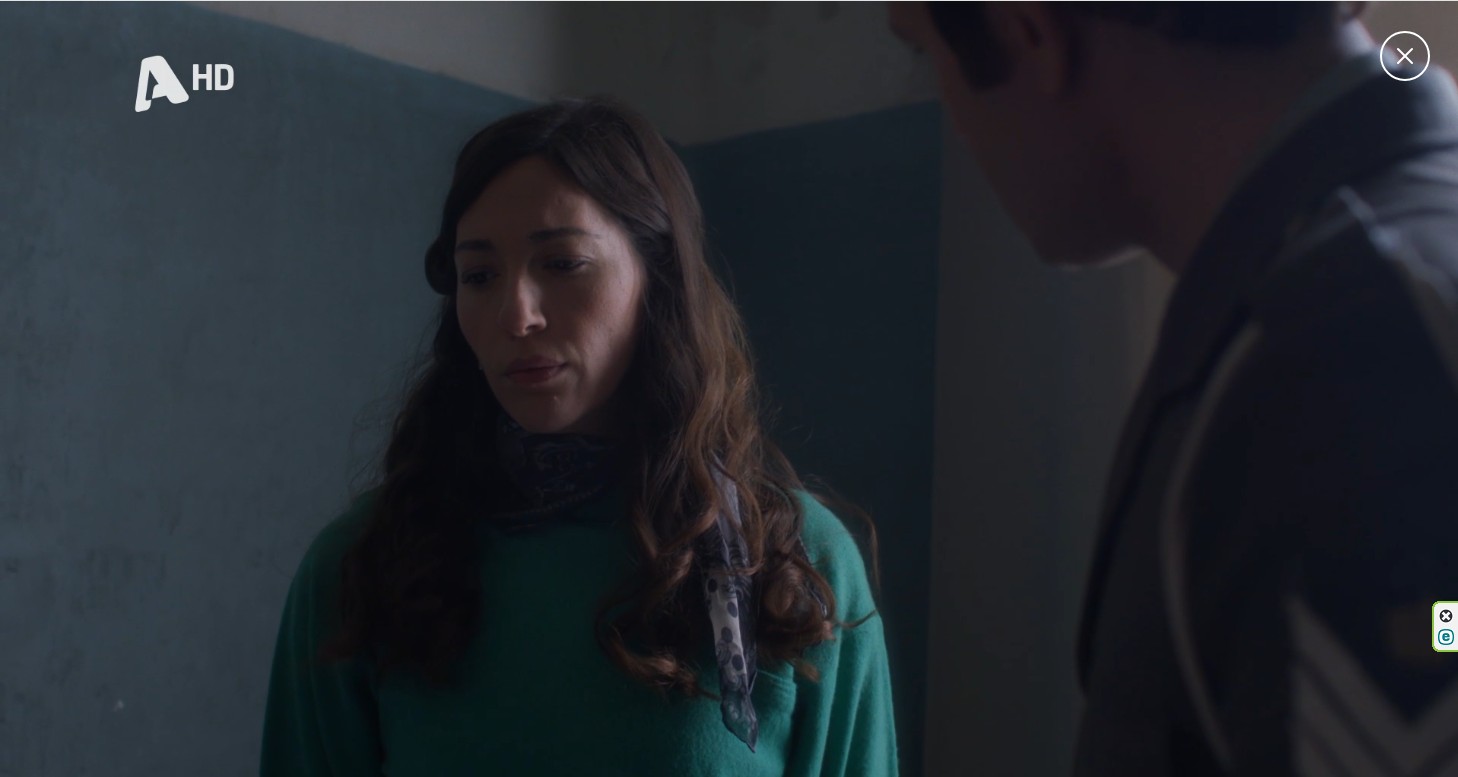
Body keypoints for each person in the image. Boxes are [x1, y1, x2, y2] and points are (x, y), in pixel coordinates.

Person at [890, 2, 1458, 774]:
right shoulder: (1356, 294)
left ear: (1029, 30)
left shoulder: (1350, 358)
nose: (953, 121)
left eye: (926, 54)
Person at [259, 97, 898, 776]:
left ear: (657, 278)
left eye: (562, 263)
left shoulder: (793, 562)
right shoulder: (362, 565)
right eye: (479, 275)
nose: (517, 314)